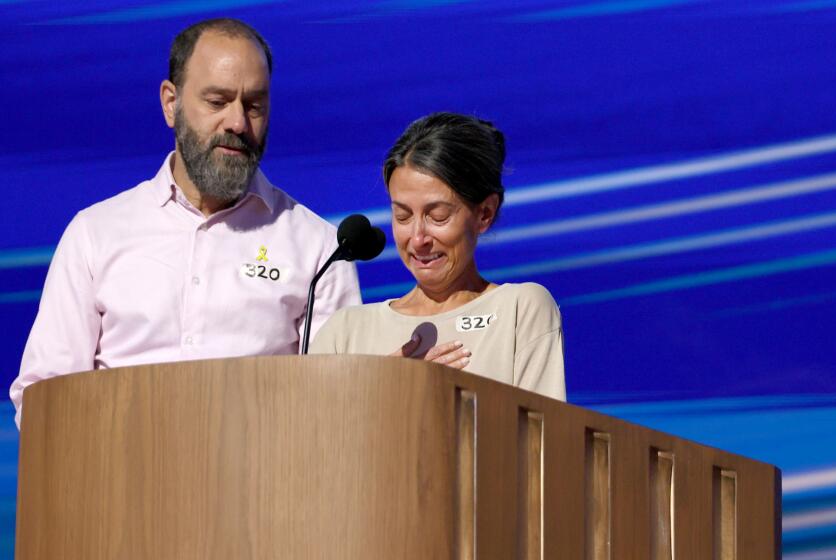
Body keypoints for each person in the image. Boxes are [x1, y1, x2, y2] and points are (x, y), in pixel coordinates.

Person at [10, 18, 361, 427]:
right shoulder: (95, 234)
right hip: (117, 463)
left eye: (254, 105)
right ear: (170, 103)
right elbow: (44, 397)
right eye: (217, 101)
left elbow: (337, 406)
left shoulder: (319, 249)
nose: (237, 123)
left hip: (258, 465)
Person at [311, 112, 565, 400]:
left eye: (438, 216)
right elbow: (310, 428)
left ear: (484, 213)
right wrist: (381, 389)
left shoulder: (520, 310)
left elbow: (539, 428)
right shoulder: (344, 333)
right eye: (403, 216)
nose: (418, 239)